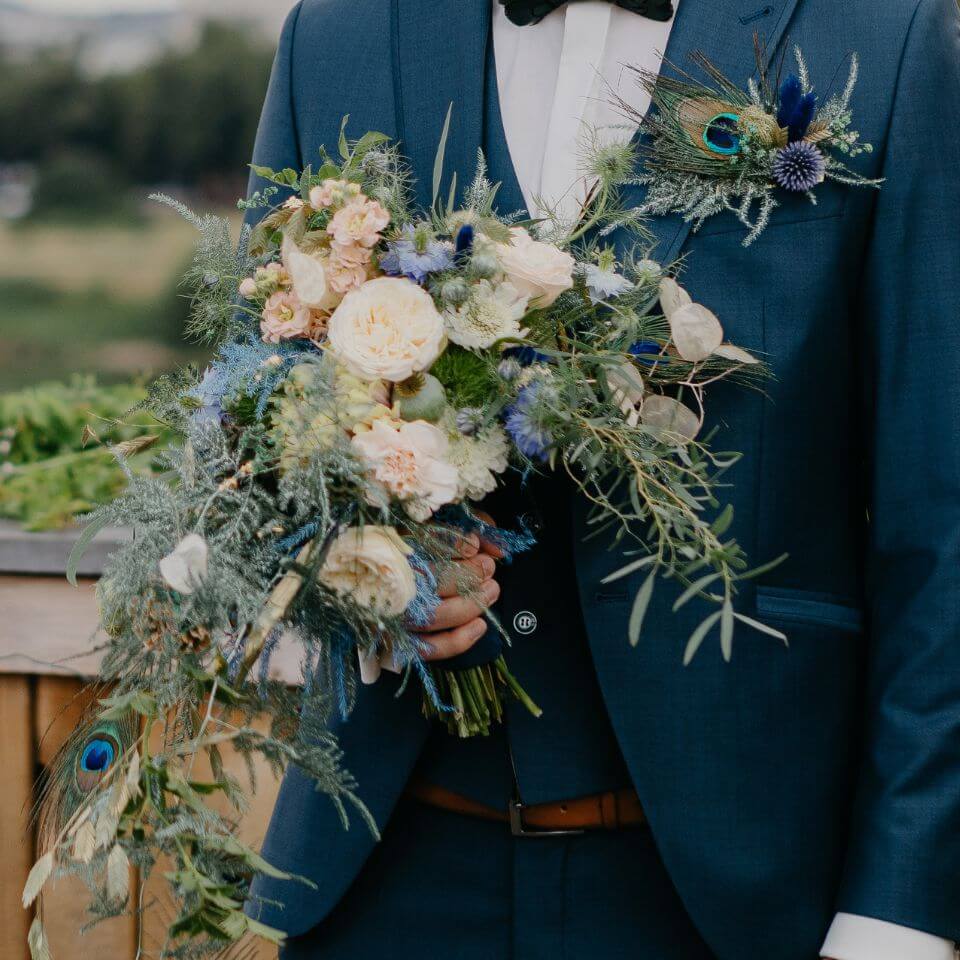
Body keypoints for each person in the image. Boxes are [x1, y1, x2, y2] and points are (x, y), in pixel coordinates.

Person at [244, 1, 960, 958]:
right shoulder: (338, 35)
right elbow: (262, 412)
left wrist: (899, 912)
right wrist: (361, 571)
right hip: (387, 879)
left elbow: (939, 513)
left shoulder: (885, 34)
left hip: (735, 892)